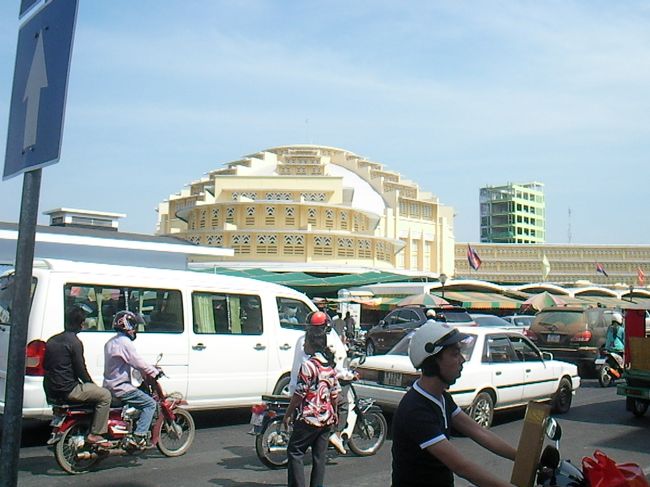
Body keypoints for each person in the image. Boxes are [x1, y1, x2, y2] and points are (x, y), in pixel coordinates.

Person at [391, 321, 517, 487]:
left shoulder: (442, 398)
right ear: (433, 360)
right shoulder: (416, 410)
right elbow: (462, 467)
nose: (462, 360)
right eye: (455, 354)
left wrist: (526, 458)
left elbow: (479, 432)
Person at [43, 306, 112, 445]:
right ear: (81, 324)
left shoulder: (52, 340)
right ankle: (96, 433)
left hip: (50, 389)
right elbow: (81, 369)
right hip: (68, 390)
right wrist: (91, 384)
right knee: (105, 395)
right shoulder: (74, 342)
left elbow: (45, 365)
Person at [283, 325, 341, 487]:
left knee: (295, 451)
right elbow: (335, 394)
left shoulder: (308, 366)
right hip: (326, 419)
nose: (303, 346)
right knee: (319, 457)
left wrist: (288, 414)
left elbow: (299, 395)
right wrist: (335, 414)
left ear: (311, 343)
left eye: (305, 342)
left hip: (309, 418)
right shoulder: (329, 366)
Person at [288, 310, 348, 455]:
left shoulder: (302, 340)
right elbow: (332, 371)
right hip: (314, 399)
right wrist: (333, 415)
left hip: (296, 385)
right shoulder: (324, 341)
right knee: (343, 403)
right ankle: (336, 433)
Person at [103, 310, 160, 448]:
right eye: (133, 326)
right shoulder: (124, 343)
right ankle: (139, 436)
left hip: (109, 385)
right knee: (150, 404)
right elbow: (137, 361)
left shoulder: (111, 342)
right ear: (127, 325)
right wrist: (154, 371)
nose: (135, 330)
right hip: (121, 387)